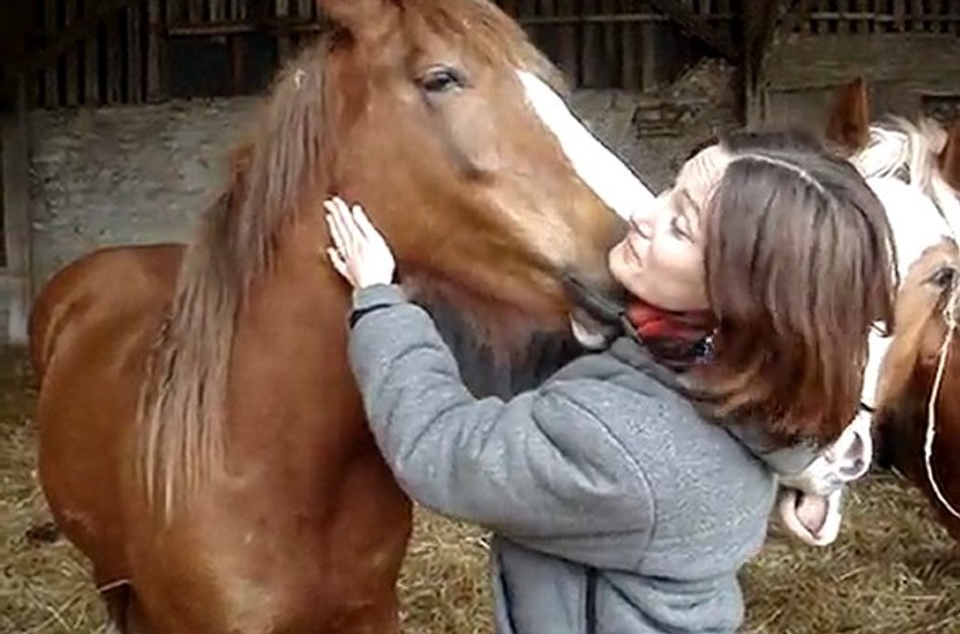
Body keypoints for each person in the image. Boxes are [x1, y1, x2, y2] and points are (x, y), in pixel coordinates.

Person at [323, 130, 896, 634]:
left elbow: (442, 447)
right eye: (670, 190)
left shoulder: (627, 445)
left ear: (737, 294)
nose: (644, 213)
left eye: (679, 226)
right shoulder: (754, 383)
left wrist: (380, 302)